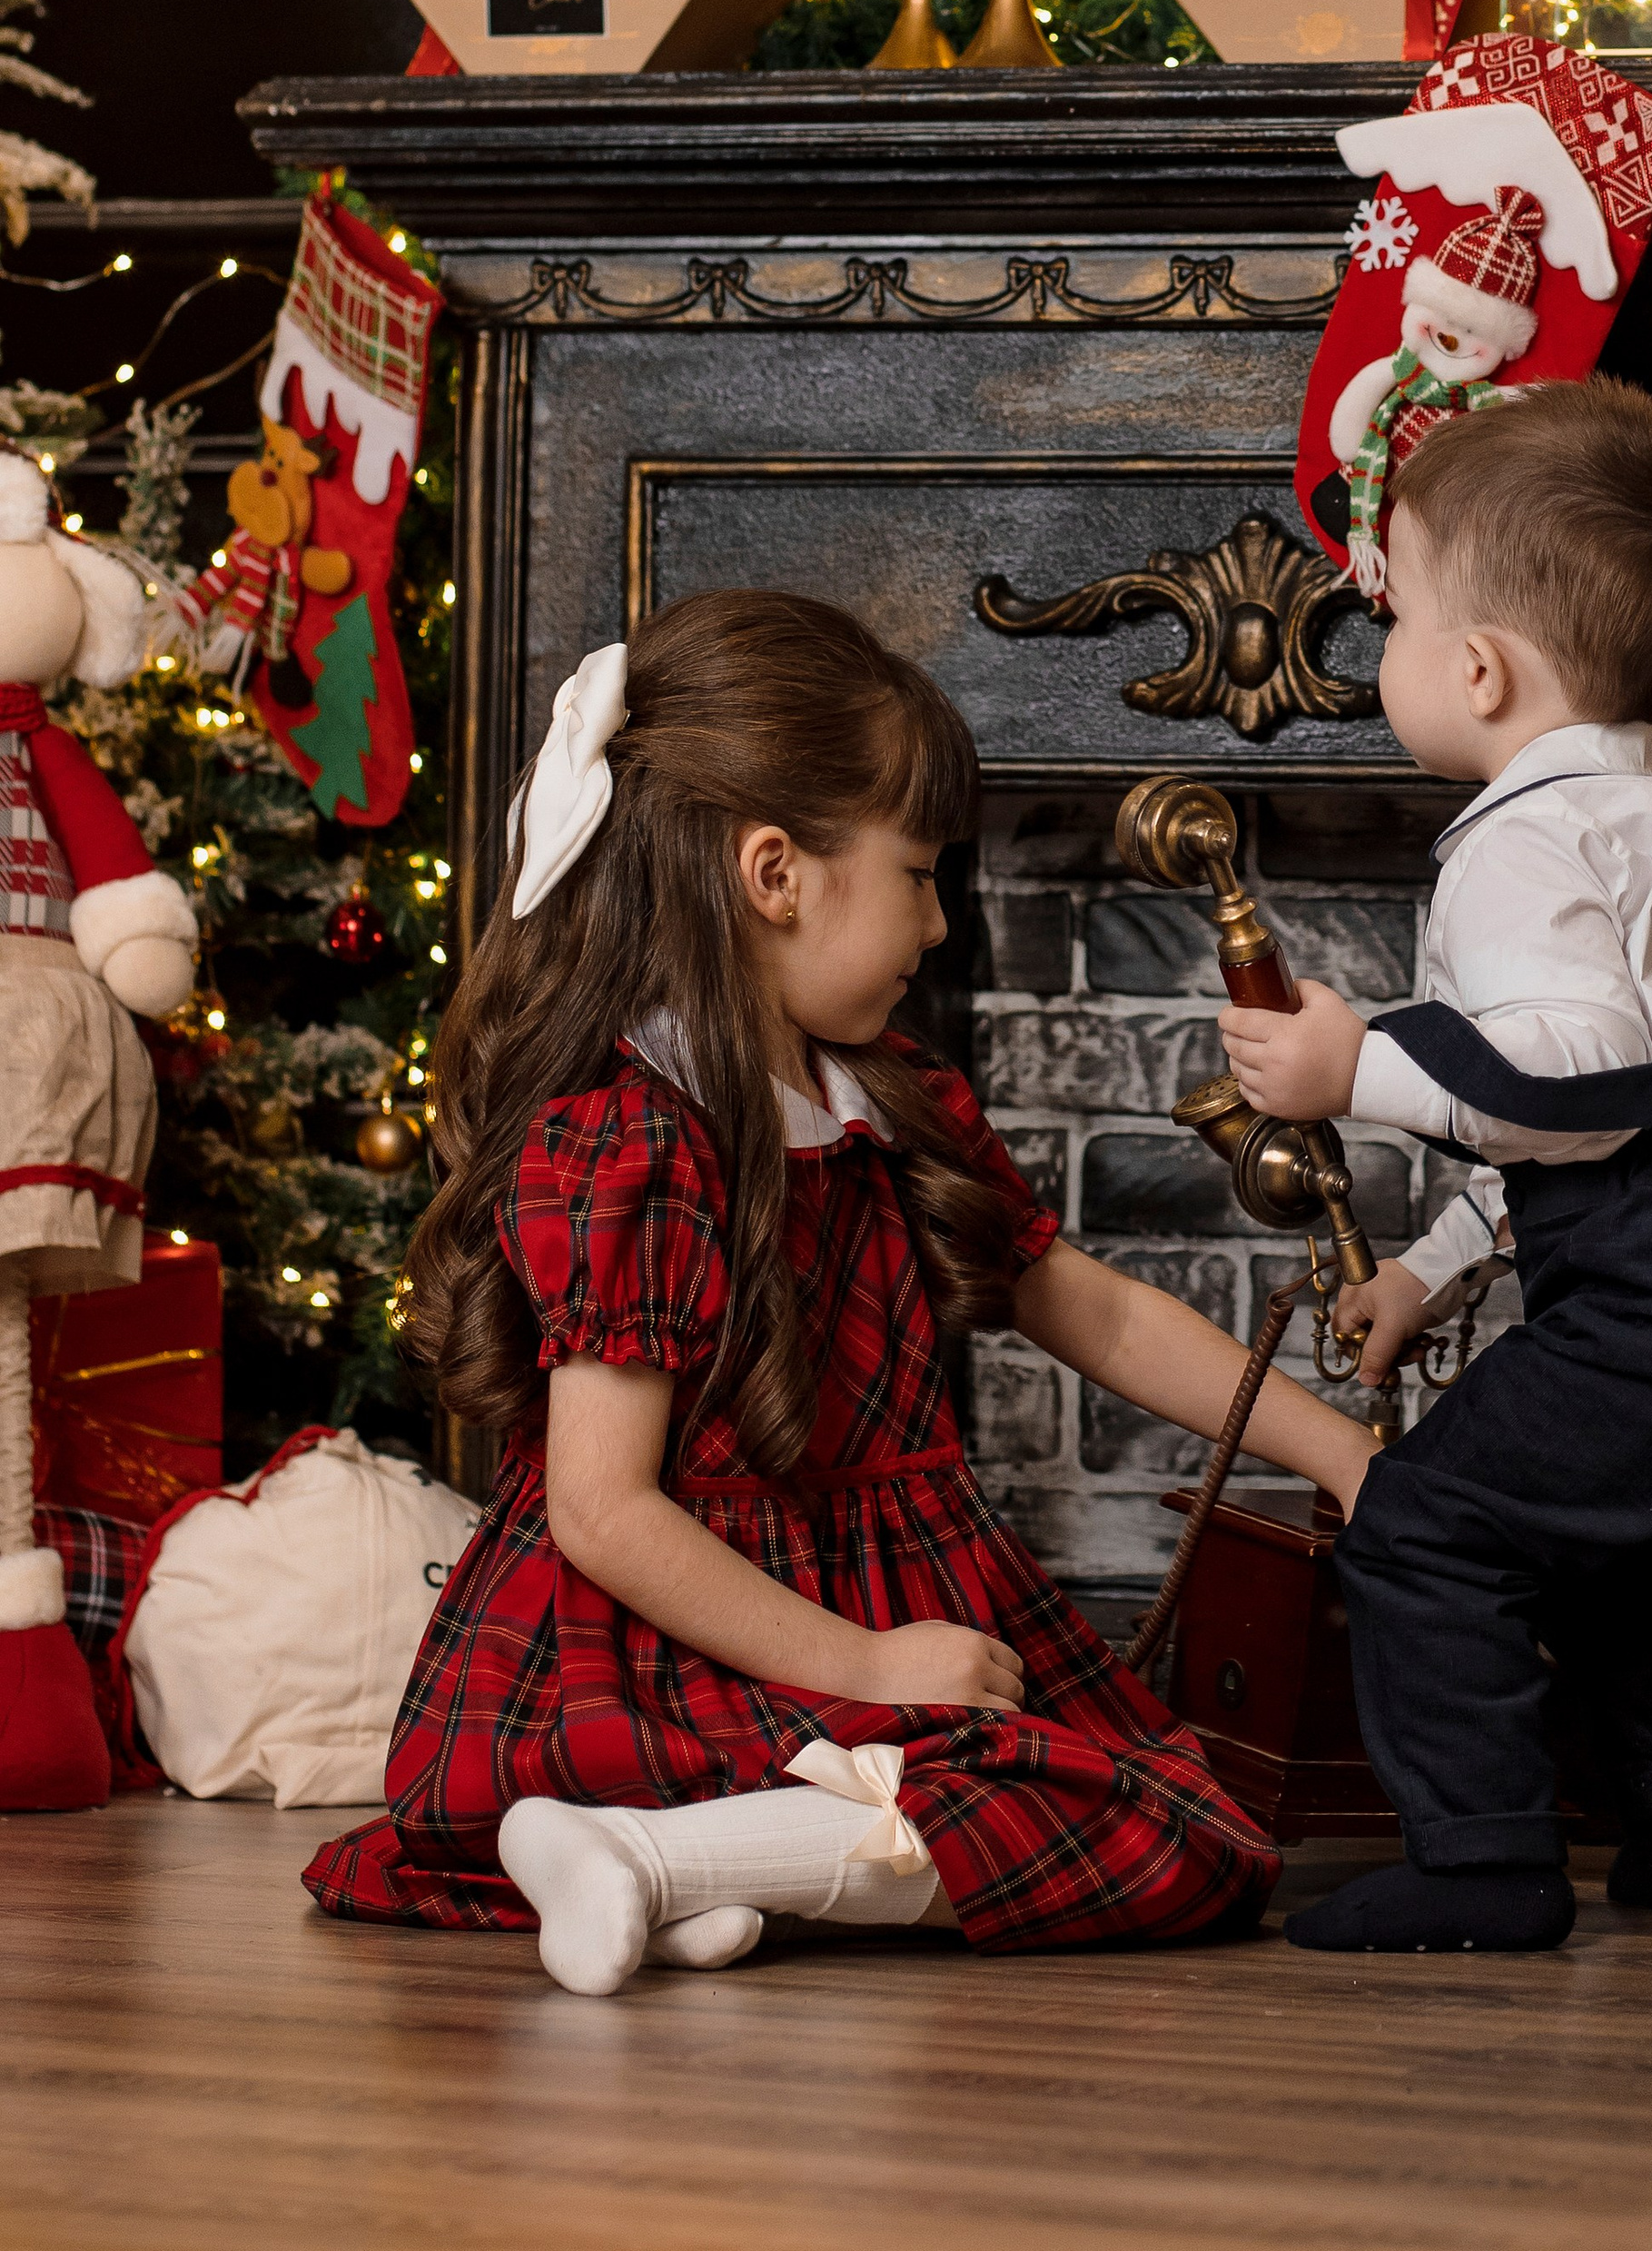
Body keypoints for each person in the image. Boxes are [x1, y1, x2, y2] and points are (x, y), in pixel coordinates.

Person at [306, 589, 1375, 1994]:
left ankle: (685, 1867)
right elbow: (602, 1505)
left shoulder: (893, 1098)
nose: (937, 922)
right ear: (775, 871)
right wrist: (868, 1662)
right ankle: (665, 1856)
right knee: (1120, 1836)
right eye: (922, 872)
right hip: (672, 1638)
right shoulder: (636, 1134)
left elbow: (1099, 1310)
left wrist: (1344, 1454)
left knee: (1185, 1833)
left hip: (880, 1593)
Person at [1218, 379, 1652, 1956]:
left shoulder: (1523, 845)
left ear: (1476, 668)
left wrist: (1355, 1065)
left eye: (1390, 614)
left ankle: (1483, 1862)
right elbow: (1623, 1114)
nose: (1375, 649)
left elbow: (1561, 1081)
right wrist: (1427, 1268)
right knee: (1600, 1534)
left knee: (1419, 1520)